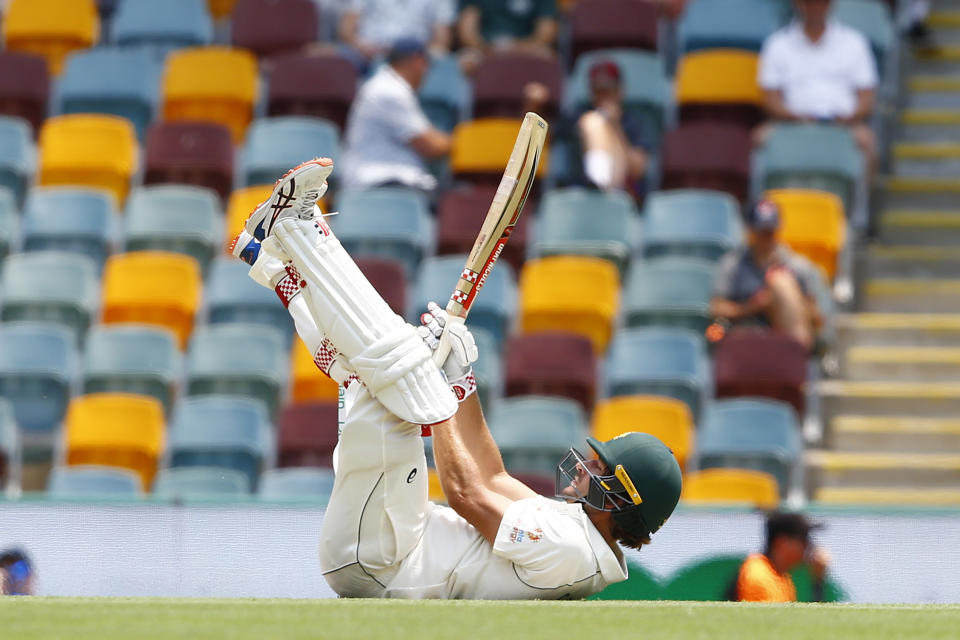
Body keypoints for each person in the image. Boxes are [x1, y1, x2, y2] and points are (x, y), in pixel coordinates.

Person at [229, 158, 683, 599]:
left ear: (624, 500)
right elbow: (491, 473)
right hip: (391, 540)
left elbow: (466, 492)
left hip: (385, 561)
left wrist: (435, 387)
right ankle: (271, 260)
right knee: (366, 374)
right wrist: (461, 381)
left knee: (401, 360)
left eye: (601, 470)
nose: (588, 467)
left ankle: (296, 227)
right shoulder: (574, 530)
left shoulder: (570, 551)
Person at [756, 0, 878, 177]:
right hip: (790, 123)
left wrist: (849, 118)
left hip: (843, 124)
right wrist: (794, 117)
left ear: (830, 4)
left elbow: (867, 99)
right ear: (797, 4)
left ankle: (857, 204)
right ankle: (767, 203)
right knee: (759, 138)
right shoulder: (777, 43)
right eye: (809, 2)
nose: (815, 7)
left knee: (868, 142)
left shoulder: (855, 42)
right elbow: (771, 99)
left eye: (821, 2)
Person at [340, 38, 450, 194]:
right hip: (378, 181)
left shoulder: (388, 84)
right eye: (426, 65)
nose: (426, 72)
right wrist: (461, 140)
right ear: (418, 61)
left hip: (388, 180)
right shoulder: (390, 90)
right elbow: (431, 146)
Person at [711, 200, 822, 352]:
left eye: (770, 231)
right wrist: (749, 307)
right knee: (716, 330)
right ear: (750, 230)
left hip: (786, 335)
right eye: (761, 231)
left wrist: (785, 301)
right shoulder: (732, 264)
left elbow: (816, 317)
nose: (766, 237)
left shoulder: (797, 266)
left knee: (781, 283)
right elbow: (717, 308)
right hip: (744, 332)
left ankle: (798, 355)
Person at [576, 59, 648, 194]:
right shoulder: (579, 114)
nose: (603, 97)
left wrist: (615, 125)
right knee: (593, 121)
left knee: (594, 121)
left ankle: (599, 179)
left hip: (624, 189)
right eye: (598, 90)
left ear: (620, 90)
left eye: (608, 89)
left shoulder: (633, 121)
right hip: (584, 190)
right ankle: (597, 180)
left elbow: (637, 170)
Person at [733, 512, 830, 602]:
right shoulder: (758, 575)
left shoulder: (781, 576)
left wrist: (817, 582)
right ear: (782, 542)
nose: (809, 546)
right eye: (803, 540)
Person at [337, 0, 455, 70]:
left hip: (412, 55)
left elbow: (442, 39)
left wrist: (427, 55)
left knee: (445, 64)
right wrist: (361, 46)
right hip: (366, 52)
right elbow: (346, 29)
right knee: (339, 59)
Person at [457, 0, 558, 57]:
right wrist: (487, 49)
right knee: (467, 60)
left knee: (546, 57)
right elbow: (467, 33)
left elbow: (546, 34)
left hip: (528, 48)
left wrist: (516, 49)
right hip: (484, 48)